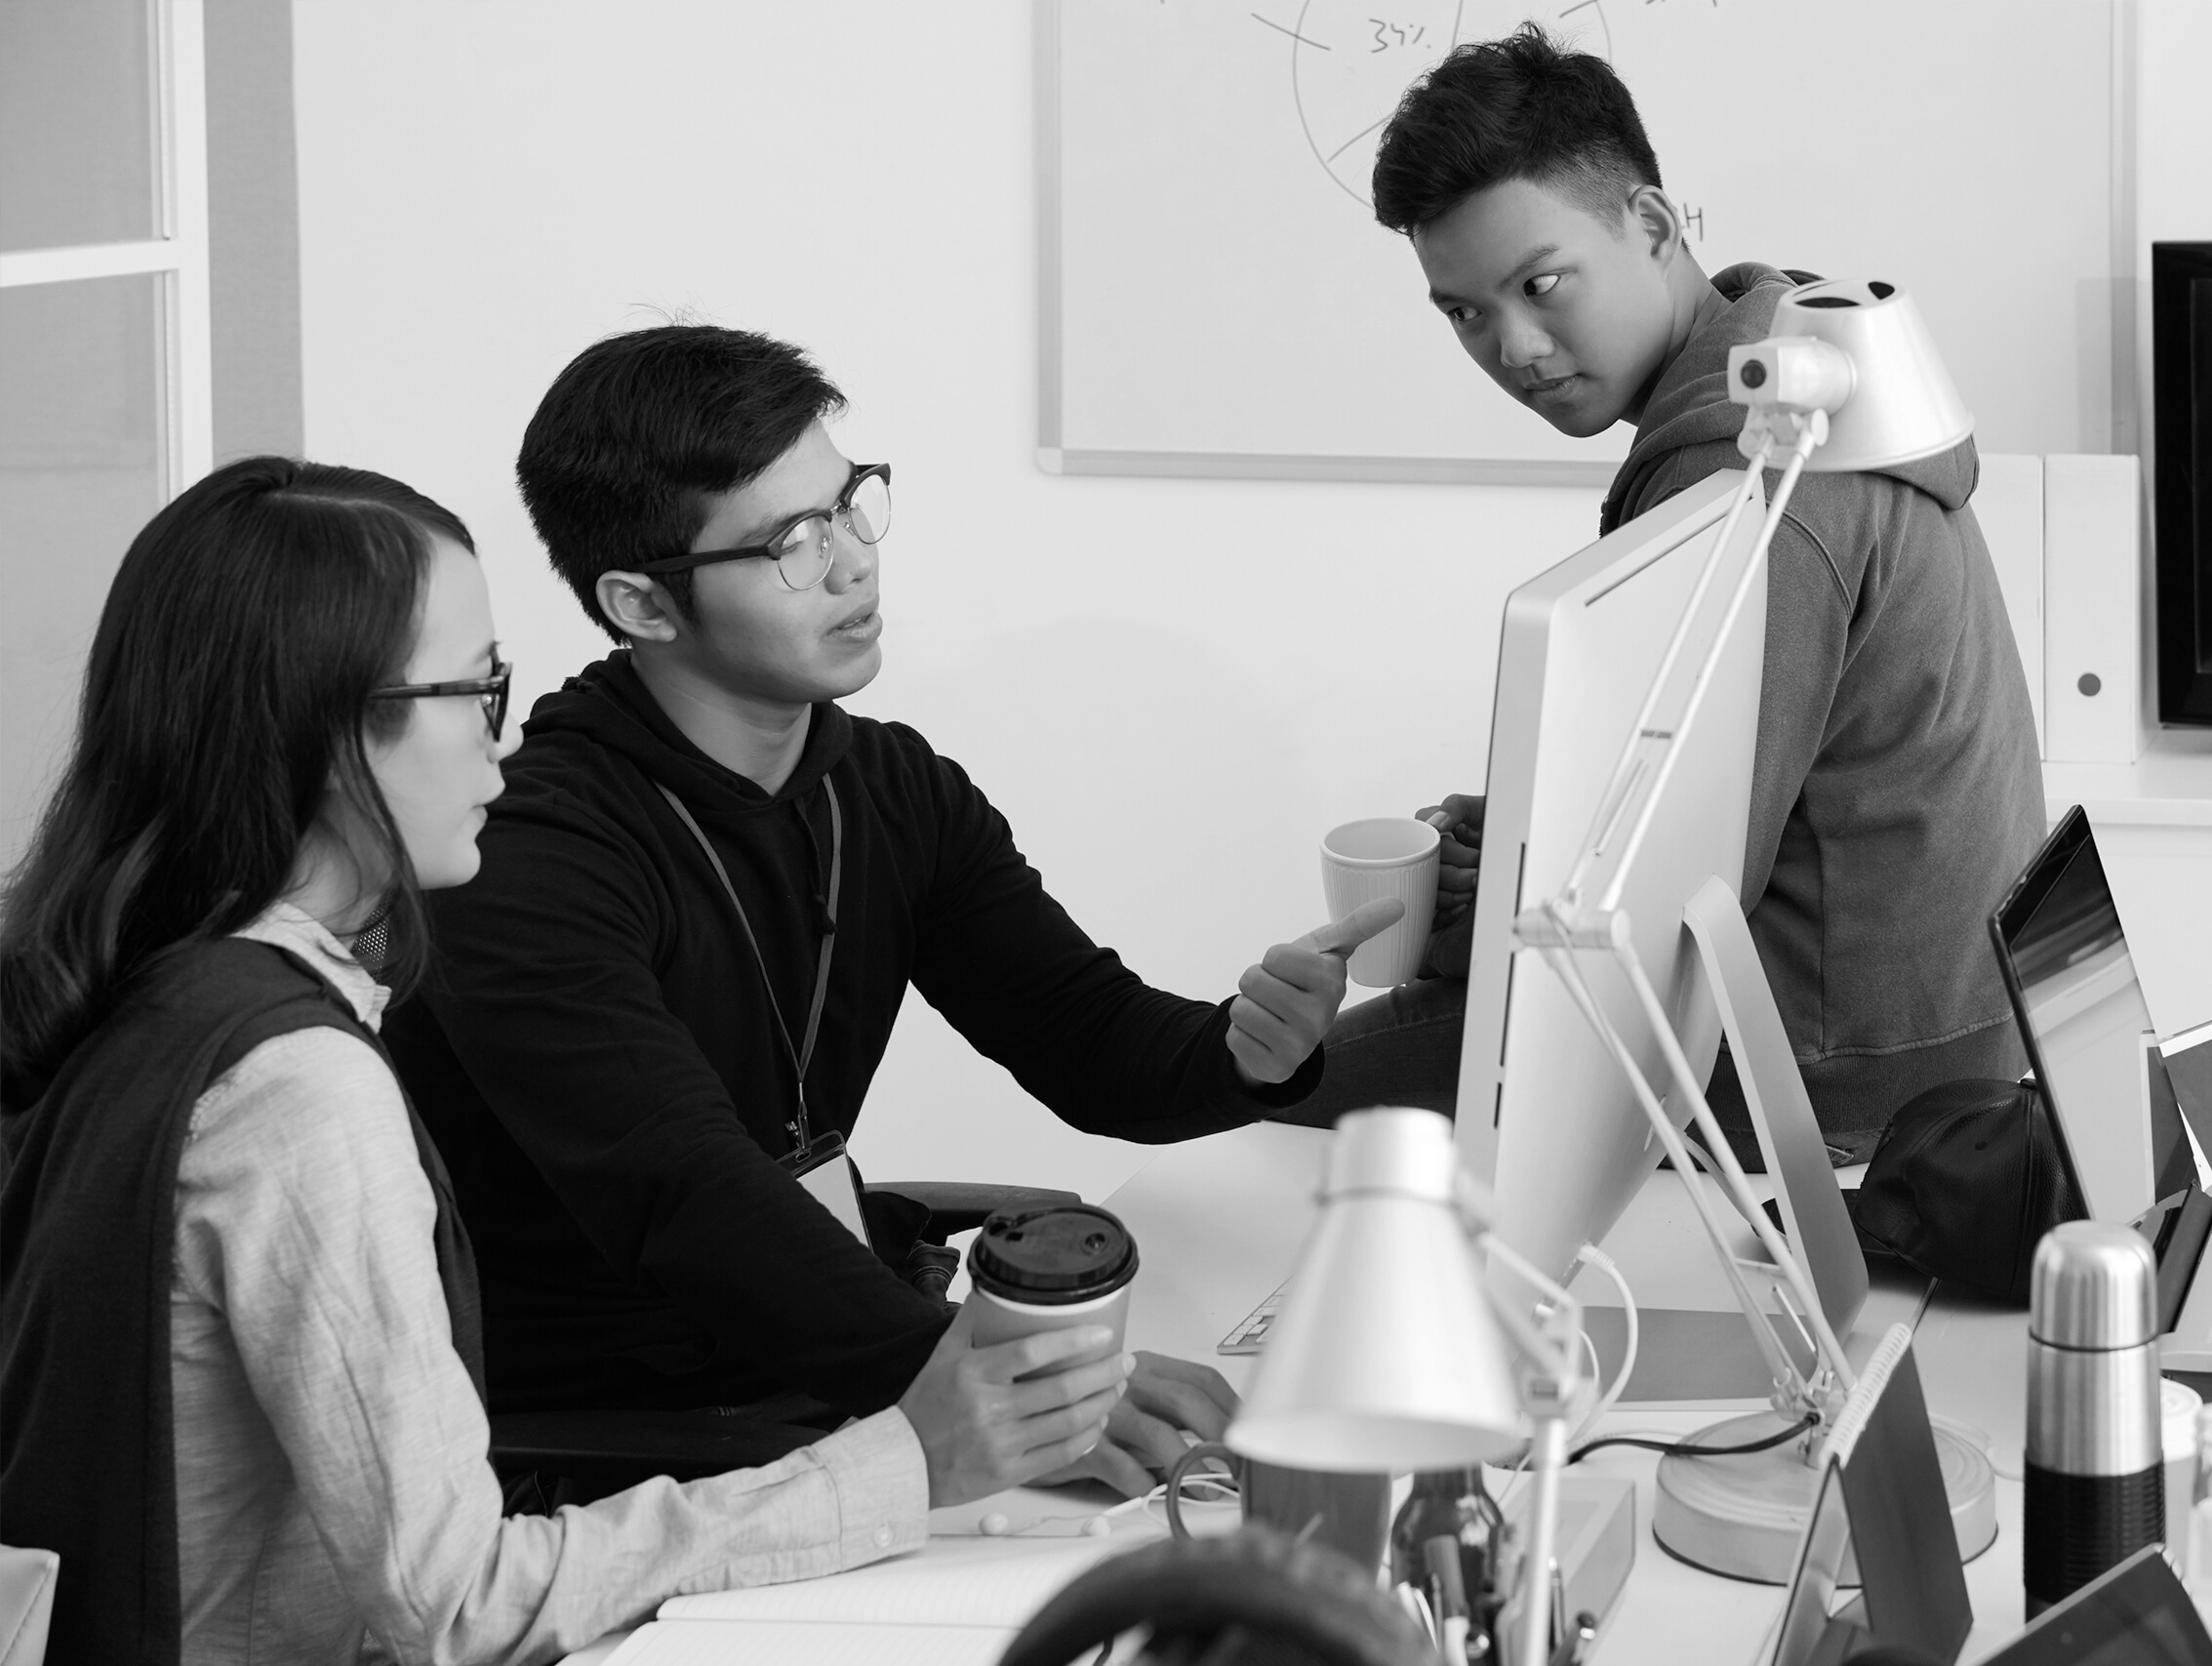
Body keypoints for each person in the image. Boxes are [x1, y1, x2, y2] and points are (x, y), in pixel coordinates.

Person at [0, 459, 1135, 1664]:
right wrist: (905, 1460)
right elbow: (458, 1606)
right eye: (474, 691)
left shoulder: (145, 973)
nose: (503, 741)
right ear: (333, 733)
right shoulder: (295, 1091)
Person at [383, 326, 1392, 1492]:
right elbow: (685, 1194)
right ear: (642, 605)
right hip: (618, 1445)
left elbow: (1092, 1044)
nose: (855, 564)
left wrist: (1246, 1046)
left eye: (851, 505)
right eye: (790, 545)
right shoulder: (529, 858)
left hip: (817, 1378)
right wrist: (974, 1386)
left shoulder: (890, 790)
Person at [1287, 27, 2044, 1161]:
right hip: (1934, 1024)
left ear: (1650, 224)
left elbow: (1654, 917)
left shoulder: (1752, 474)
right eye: (1465, 312)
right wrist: (1514, 848)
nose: (1516, 347)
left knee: (1268, 1085)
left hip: (1835, 1070)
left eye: (1540, 285)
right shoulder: (1791, 356)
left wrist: (1467, 913)